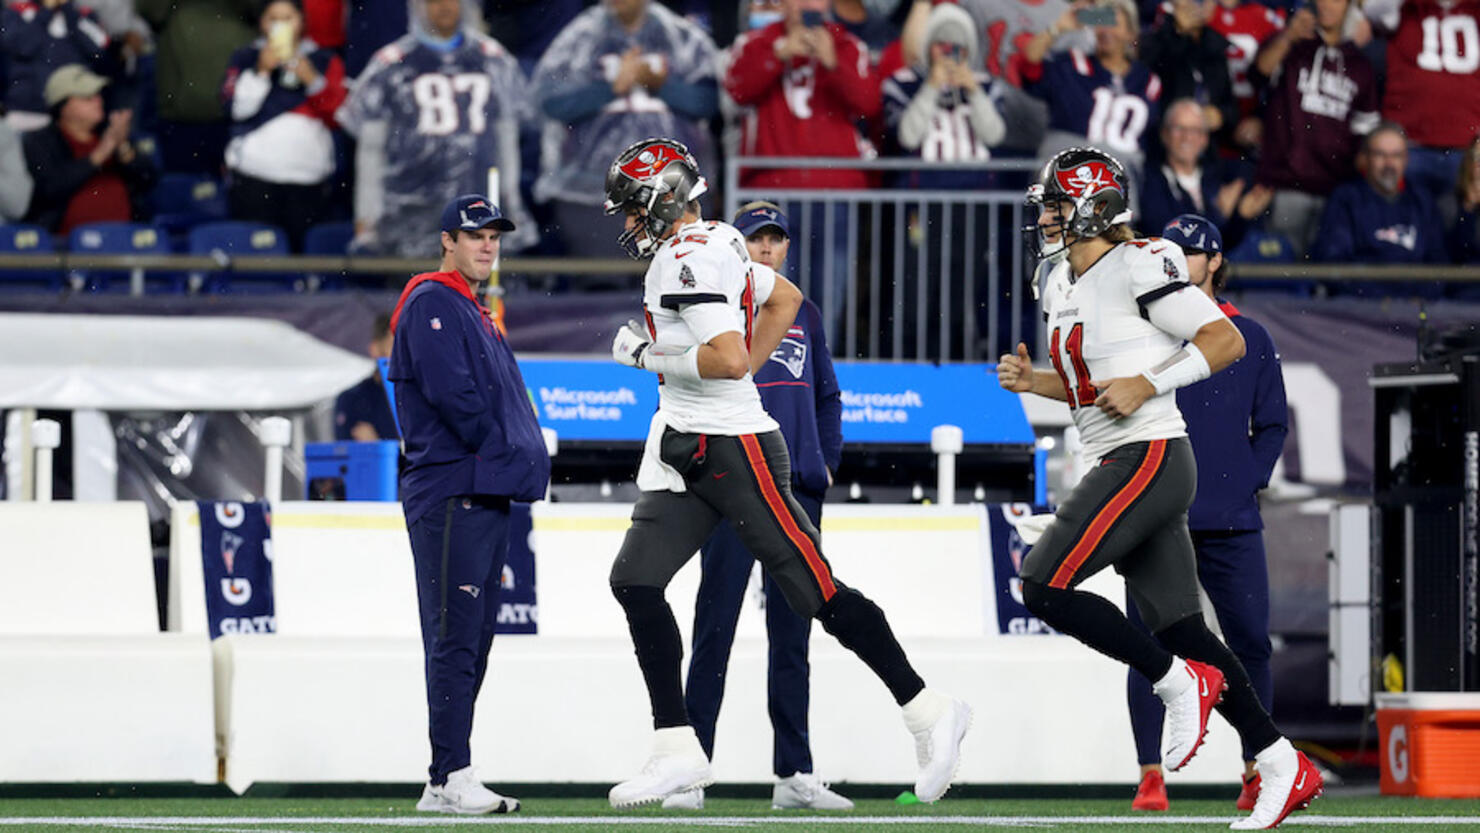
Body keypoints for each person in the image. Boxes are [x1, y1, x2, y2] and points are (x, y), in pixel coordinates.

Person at [601, 137, 970, 810]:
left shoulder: (687, 258)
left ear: (661, 202)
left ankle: (929, 708)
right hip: (689, 441)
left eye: (632, 209)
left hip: (734, 446)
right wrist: (716, 379)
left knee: (815, 592)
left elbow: (731, 359)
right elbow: (787, 298)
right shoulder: (717, 241)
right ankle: (677, 745)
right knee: (635, 578)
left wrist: (644, 357)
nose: (627, 224)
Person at [996, 146, 1320, 831]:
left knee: (1042, 584)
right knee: (1184, 628)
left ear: (1093, 207)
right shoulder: (1060, 280)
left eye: (1057, 204)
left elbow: (1221, 339)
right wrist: (1036, 383)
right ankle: (1282, 759)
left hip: (1149, 456)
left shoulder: (1141, 260)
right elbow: (1094, 387)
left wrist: (1150, 382)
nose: (1046, 217)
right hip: (1116, 456)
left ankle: (1178, 681)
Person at [662, 201, 849, 812]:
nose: (767, 250)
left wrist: (822, 467)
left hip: (795, 493)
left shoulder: (805, 313)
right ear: (736, 249)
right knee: (713, 628)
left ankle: (794, 774)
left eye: (776, 241)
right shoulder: (708, 310)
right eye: (757, 241)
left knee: (793, 635)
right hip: (730, 485)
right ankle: (691, 772)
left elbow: (827, 396)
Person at [385, 193, 550, 815]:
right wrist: (503, 447)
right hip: (456, 487)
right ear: (446, 240)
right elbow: (454, 396)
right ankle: (452, 772)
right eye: (474, 234)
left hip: (482, 487)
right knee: (456, 637)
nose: (487, 244)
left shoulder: (466, 307)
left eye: (494, 236)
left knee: (472, 639)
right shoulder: (433, 301)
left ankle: (442, 778)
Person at [1122, 213, 1289, 813]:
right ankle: (1150, 775)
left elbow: (1272, 425)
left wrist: (1244, 482)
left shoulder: (1252, 337)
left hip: (1229, 517)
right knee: (1145, 646)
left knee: (1250, 645)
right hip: (1156, 515)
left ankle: (1256, 769)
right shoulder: (1143, 332)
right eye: (1168, 253)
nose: (1179, 263)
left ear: (1215, 261)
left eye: (1189, 253)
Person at [337, 0, 534, 259]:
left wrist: (512, 206)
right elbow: (371, 150)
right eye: (433, 0)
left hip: (480, 216)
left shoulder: (493, 60)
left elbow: (507, 141)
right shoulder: (391, 64)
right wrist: (367, 214)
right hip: (409, 219)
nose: (444, 6)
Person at [530, 0, 719, 259]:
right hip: (592, 193)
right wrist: (610, 88)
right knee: (603, 286)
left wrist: (662, 86)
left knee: (675, 282)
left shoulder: (680, 36)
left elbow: (709, 103)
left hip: (672, 189)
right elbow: (550, 102)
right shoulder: (581, 36)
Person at [1253, 0, 1378, 257]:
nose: (1326, 5)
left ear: (1350, 6)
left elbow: (1366, 134)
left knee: (1326, 277)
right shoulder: (1291, 45)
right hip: (1285, 185)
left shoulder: (1361, 65)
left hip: (1336, 194)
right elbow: (1259, 73)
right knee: (1279, 272)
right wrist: (1289, 35)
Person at [221, 0, 346, 252]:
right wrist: (261, 72)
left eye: (288, 18)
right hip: (255, 178)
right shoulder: (245, 57)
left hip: (308, 180)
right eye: (273, 18)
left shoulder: (323, 59)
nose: (280, 25)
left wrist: (312, 79)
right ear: (262, 23)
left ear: (301, 22)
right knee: (256, 262)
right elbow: (235, 110)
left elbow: (341, 115)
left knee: (304, 260)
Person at [1021, 0, 1162, 191]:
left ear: (1131, 33)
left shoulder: (1148, 82)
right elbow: (1029, 64)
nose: (1106, 31)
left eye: (1114, 23)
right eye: (1101, 23)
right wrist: (1059, 28)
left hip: (1117, 191)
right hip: (1066, 185)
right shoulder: (1072, 65)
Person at [21, 64, 156, 234]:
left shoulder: (109, 134)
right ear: (62, 105)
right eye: (87, 97)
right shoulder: (40, 141)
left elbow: (148, 180)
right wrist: (100, 154)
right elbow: (50, 188)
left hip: (126, 241)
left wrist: (122, 147)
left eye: (98, 95)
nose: (98, 100)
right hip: (64, 248)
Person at [1373, 0, 1480, 204]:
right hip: (1408, 147)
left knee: (1460, 227)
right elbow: (1374, 9)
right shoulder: (1408, 7)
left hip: (1465, 150)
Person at [1138, 98, 1272, 246]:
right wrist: (1220, 215)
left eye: (1195, 130)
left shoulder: (1219, 175)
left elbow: (1222, 247)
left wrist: (1241, 216)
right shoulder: (1148, 178)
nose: (1187, 137)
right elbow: (1166, 235)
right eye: (1179, 128)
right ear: (1164, 134)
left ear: (1204, 138)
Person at [1311, 122, 1449, 265]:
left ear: (1406, 160)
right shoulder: (1346, 199)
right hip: (1362, 285)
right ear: (1365, 158)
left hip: (1414, 286)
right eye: (1380, 154)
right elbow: (1335, 262)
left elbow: (1437, 264)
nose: (1389, 163)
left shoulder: (1423, 200)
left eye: (1396, 155)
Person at [1, 0, 111, 131]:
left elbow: (98, 51)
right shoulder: (16, 12)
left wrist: (69, 13)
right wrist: (46, 12)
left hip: (73, 116)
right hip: (28, 111)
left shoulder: (82, 14)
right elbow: (22, 47)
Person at [334, 313, 400, 442]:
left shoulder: (420, 396)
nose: (401, 353)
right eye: (394, 345)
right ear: (374, 349)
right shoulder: (352, 399)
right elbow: (347, 452)